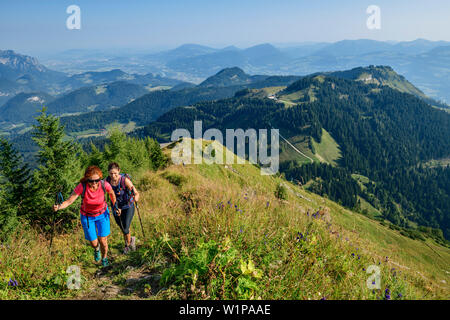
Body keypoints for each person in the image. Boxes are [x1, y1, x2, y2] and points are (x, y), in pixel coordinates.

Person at [53, 165, 116, 267]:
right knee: (93, 242)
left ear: (100, 178)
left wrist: (115, 205)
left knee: (103, 240)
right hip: (87, 217)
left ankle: (104, 258)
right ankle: (96, 249)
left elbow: (111, 193)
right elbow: (69, 201)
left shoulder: (104, 184)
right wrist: (59, 207)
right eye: (91, 181)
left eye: (97, 180)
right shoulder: (82, 187)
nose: (94, 183)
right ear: (87, 179)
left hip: (102, 214)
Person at [106, 162, 140, 254]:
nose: (113, 176)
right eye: (111, 173)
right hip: (116, 207)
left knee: (125, 227)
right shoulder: (107, 181)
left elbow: (136, 193)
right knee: (122, 227)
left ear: (119, 171)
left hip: (128, 205)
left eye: (115, 173)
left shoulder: (124, 180)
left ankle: (128, 246)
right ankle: (131, 240)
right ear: (108, 173)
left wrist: (136, 198)